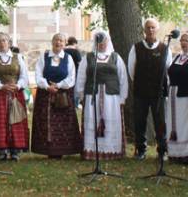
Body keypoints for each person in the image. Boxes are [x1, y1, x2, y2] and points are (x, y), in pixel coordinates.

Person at [75, 31, 128, 160]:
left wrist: (122, 97)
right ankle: (92, 151)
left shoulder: (116, 57)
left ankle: (111, 151)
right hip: (93, 97)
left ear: (108, 41)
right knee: (93, 121)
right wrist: (81, 95)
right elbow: (81, 77)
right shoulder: (88, 57)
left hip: (112, 98)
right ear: (96, 42)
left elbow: (123, 78)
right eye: (99, 41)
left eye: (104, 41)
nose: (102, 44)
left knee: (110, 123)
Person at [32, 33, 82, 158]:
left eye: (61, 40)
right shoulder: (44, 57)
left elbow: (71, 77)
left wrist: (59, 85)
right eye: (56, 40)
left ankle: (63, 149)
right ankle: (48, 150)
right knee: (46, 123)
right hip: (45, 94)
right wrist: (47, 86)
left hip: (63, 94)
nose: (58, 43)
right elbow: (38, 74)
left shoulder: (68, 58)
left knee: (64, 122)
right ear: (52, 41)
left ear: (64, 43)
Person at [128, 18, 172, 160]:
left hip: (158, 93)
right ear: (144, 30)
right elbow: (131, 70)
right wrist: (141, 83)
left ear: (157, 29)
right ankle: (141, 149)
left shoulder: (165, 49)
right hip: (141, 91)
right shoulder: (136, 48)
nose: (151, 30)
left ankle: (162, 150)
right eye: (148, 27)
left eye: (153, 27)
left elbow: (168, 69)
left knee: (160, 122)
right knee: (140, 121)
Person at [0, 32, 30, 161]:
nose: (2, 43)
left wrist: (18, 85)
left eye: (4, 40)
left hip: (16, 92)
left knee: (16, 120)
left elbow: (24, 76)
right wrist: (1, 86)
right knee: (0, 123)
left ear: (9, 42)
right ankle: (2, 150)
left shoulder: (17, 57)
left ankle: (15, 149)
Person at [165, 32, 188, 164]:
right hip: (173, 97)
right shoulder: (177, 58)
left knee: (185, 125)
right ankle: (175, 154)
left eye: (186, 40)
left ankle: (185, 154)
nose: (183, 43)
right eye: (182, 41)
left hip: (185, 97)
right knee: (175, 124)